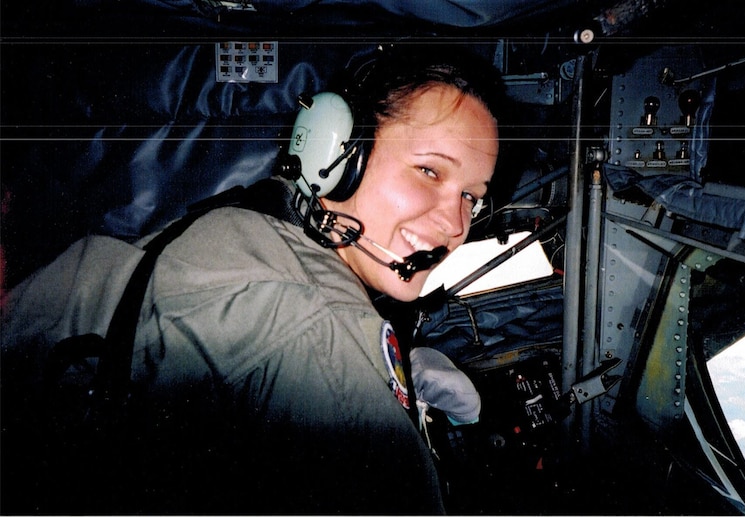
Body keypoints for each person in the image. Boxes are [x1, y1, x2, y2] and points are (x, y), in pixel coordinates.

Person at [0, 44, 504, 515]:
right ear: (337, 150)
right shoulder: (311, 313)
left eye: (471, 196)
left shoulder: (233, 224)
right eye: (430, 172)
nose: (455, 225)